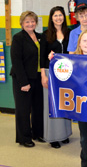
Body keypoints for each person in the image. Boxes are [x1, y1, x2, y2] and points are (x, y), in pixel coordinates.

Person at [50, 30, 87, 167]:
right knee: (84, 138)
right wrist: (53, 59)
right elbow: (62, 76)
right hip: (80, 106)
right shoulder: (72, 60)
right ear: (79, 43)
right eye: (84, 41)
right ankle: (85, 163)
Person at [10, 11, 44, 147]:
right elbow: (16, 61)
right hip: (22, 78)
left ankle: (37, 133)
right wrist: (23, 82)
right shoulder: (18, 38)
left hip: (37, 77)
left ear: (36, 22)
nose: (30, 24)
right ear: (22, 24)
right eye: (27, 22)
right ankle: (24, 138)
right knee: (23, 109)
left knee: (38, 107)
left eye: (32, 21)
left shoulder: (40, 37)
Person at [40, 6, 72, 148]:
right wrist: (43, 75)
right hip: (50, 72)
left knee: (64, 102)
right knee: (51, 104)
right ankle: (52, 137)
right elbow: (41, 58)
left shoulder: (69, 33)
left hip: (66, 73)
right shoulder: (45, 34)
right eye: (55, 15)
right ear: (51, 18)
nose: (58, 18)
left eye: (60, 15)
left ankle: (64, 134)